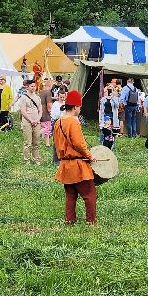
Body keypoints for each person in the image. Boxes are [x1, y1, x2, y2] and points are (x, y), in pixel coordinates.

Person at [53, 90, 97, 226]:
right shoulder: (73, 121)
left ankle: (70, 220)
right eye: (80, 107)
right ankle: (90, 221)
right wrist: (89, 155)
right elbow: (79, 143)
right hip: (77, 164)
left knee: (70, 194)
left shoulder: (58, 122)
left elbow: (56, 143)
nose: (80, 109)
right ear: (76, 107)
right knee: (89, 194)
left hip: (65, 164)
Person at [16, 77, 45, 165]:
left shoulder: (38, 98)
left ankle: (36, 159)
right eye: (31, 86)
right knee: (27, 142)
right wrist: (31, 120)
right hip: (27, 122)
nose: (33, 88)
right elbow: (23, 111)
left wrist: (37, 119)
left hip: (36, 122)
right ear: (27, 87)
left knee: (36, 142)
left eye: (34, 86)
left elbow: (40, 110)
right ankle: (27, 160)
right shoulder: (23, 98)